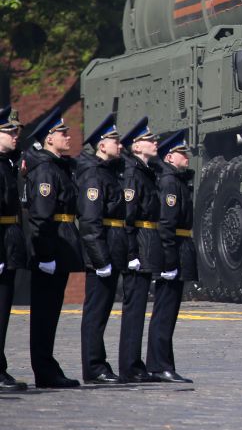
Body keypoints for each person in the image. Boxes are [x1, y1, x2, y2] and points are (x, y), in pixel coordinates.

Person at [23, 107, 82, 388]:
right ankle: (44, 370)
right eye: (62, 133)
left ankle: (47, 366)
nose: (67, 136)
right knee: (45, 314)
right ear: (48, 139)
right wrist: (44, 255)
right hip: (51, 246)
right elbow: (41, 216)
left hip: (60, 244)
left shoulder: (57, 166)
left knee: (51, 312)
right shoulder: (46, 170)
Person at [75, 114, 126, 384]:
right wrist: (100, 259)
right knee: (95, 313)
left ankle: (98, 365)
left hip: (111, 248)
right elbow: (91, 220)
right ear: (101, 145)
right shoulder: (94, 175)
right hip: (102, 252)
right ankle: (94, 367)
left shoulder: (108, 172)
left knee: (102, 312)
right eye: (114, 140)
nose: (119, 144)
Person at [146, 129, 195, 384]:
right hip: (172, 251)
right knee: (164, 312)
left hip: (178, 247)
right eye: (181, 153)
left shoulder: (177, 180)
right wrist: (169, 261)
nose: (186, 157)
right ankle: (158, 365)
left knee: (168, 313)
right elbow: (166, 224)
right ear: (169, 157)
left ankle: (162, 363)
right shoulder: (169, 182)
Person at [118, 117, 159, 383]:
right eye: (150, 139)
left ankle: (135, 364)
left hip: (146, 243)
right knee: (133, 310)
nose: (156, 142)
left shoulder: (145, 170)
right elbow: (128, 218)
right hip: (139, 246)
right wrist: (132, 254)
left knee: (139, 309)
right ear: (136, 146)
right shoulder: (133, 174)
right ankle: (129, 366)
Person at [0, 107, 28, 391]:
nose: (15, 135)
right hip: (1, 244)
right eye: (9, 131)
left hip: (9, 243)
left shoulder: (7, 163)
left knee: (4, 312)